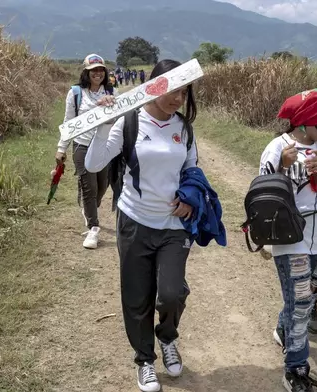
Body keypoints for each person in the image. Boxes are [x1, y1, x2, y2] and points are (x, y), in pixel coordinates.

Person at [85, 59, 199, 392]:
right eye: (171, 90)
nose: (177, 98)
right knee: (137, 296)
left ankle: (167, 338)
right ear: (152, 86)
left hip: (173, 227)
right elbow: (94, 163)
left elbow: (193, 170)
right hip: (134, 222)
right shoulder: (130, 122)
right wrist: (104, 124)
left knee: (172, 292)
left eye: (183, 91)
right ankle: (144, 360)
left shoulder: (184, 129)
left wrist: (191, 199)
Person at [260, 89, 317, 392]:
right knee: (300, 304)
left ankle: (283, 329)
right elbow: (263, 194)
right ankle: (295, 368)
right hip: (292, 238)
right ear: (303, 123)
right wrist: (284, 167)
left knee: (312, 292)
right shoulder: (278, 147)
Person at [54, 53, 114, 249]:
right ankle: (93, 229)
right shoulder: (76, 93)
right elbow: (68, 122)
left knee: (103, 185)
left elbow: (119, 121)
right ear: (86, 73)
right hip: (82, 144)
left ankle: (88, 210)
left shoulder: (112, 92)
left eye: (100, 70)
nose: (97, 73)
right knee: (90, 187)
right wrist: (61, 148)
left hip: (104, 146)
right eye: (93, 70)